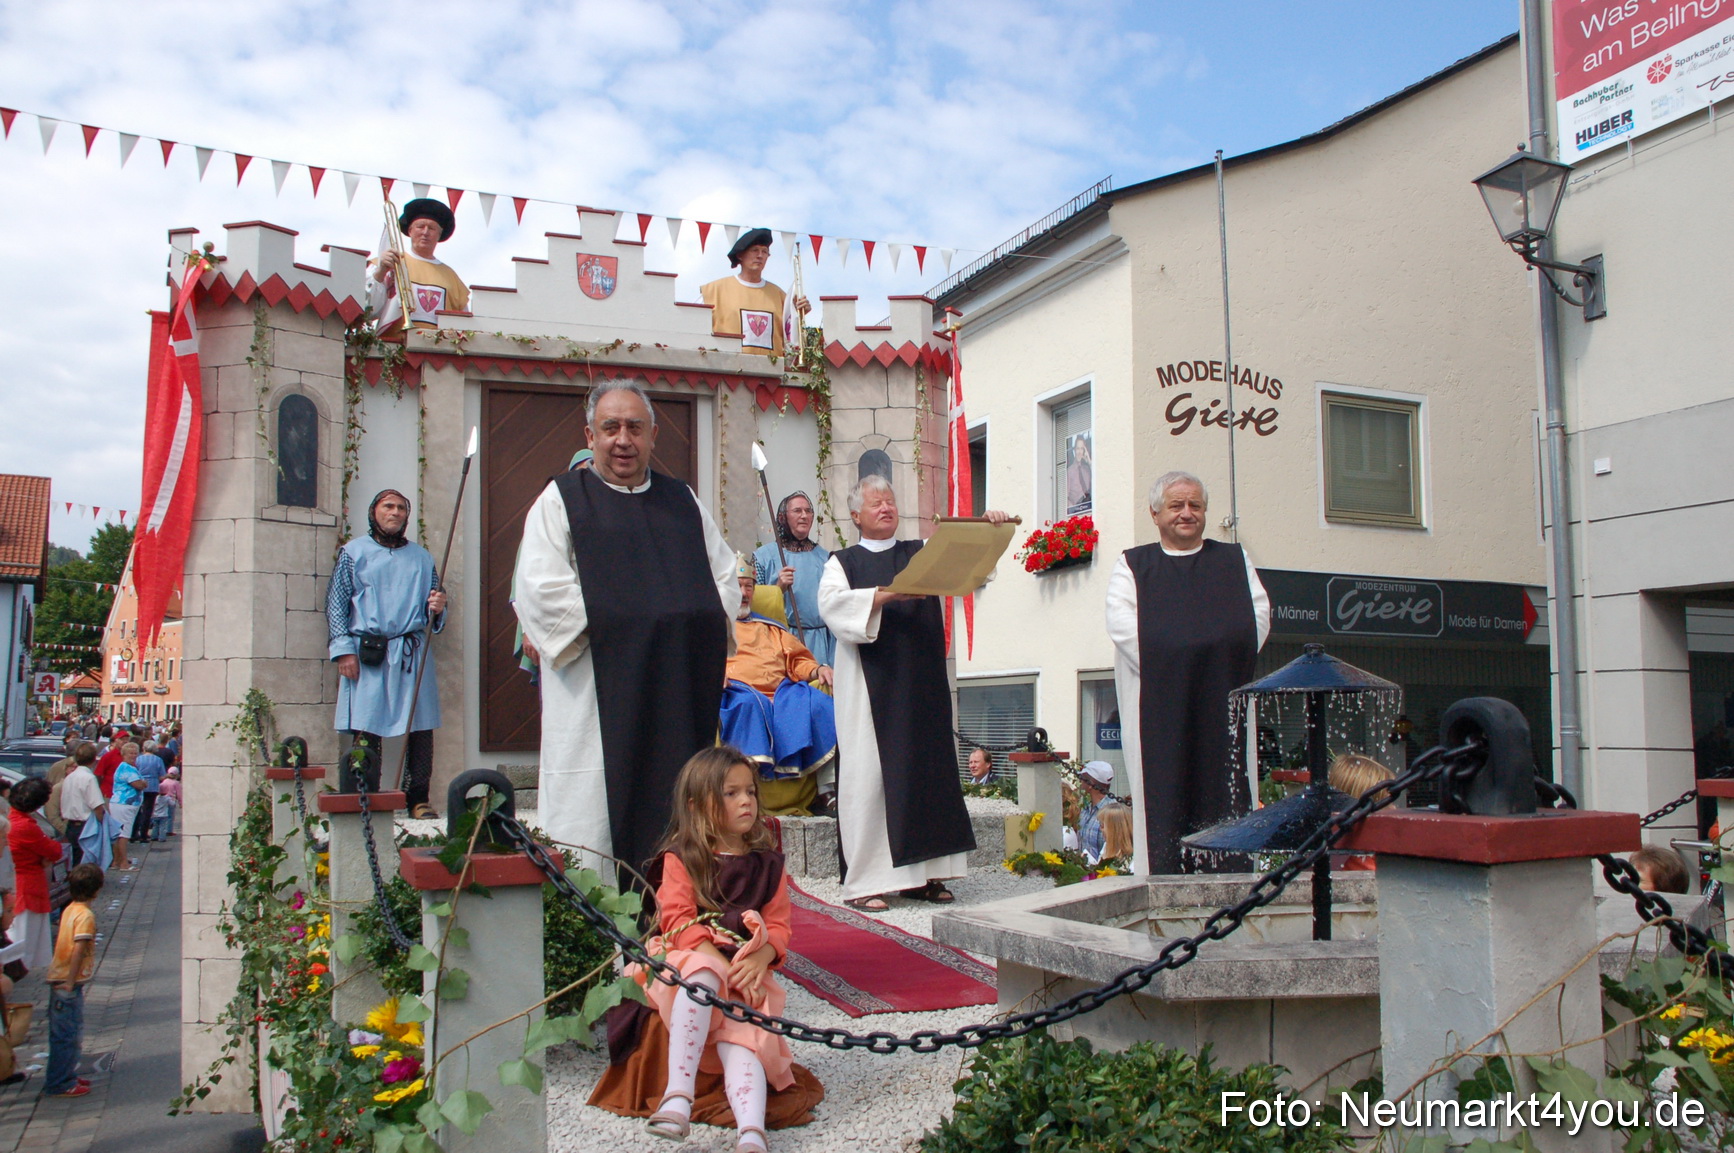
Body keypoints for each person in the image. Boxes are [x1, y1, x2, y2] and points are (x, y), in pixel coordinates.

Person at [514, 381, 737, 878]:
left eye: (635, 427)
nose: (623, 439)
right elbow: (540, 587)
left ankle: (677, 919)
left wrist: (684, 614)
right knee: (593, 811)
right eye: (611, 427)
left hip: (675, 684)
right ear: (589, 434)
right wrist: (631, 615)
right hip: (596, 685)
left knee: (676, 802)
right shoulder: (561, 500)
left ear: (653, 434)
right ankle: (594, 927)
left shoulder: (681, 501)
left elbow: (722, 576)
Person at [589, 746, 823, 1148]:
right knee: (702, 974)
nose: (746, 800)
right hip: (687, 958)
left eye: (749, 791)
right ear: (698, 806)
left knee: (744, 1036)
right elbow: (677, 920)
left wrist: (764, 956)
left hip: (742, 967)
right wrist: (719, 964)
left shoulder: (767, 864)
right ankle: (677, 1097)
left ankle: (751, 1130)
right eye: (730, 793)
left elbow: (780, 926)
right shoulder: (683, 857)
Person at [817, 475, 1012, 911]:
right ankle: (866, 881)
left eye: (890, 499)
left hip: (922, 680)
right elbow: (830, 606)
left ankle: (925, 877)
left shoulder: (920, 551)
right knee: (869, 776)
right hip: (871, 686)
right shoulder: (841, 562)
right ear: (855, 516)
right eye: (875, 502)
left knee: (927, 772)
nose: (886, 506)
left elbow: (967, 563)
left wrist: (988, 527)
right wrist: (887, 595)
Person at [1107, 470, 1270, 874]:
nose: (1187, 513)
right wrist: (1193, 652)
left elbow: (1258, 615)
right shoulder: (1133, 565)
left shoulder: (1234, 560)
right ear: (1155, 513)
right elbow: (1122, 624)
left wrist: (1209, 655)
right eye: (1176, 505)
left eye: (1195, 505)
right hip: (1159, 700)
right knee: (1162, 792)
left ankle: (1231, 876)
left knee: (1228, 786)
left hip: (1223, 692)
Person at [327, 489, 447, 819]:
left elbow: (434, 605)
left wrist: (438, 606)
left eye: (400, 508)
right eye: (387, 506)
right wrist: (343, 651)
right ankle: (367, 793)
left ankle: (417, 797)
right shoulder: (354, 553)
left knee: (420, 726)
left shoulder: (422, 558)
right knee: (366, 724)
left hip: (410, 651)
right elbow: (337, 604)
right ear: (374, 512)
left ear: (407, 516)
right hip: (369, 650)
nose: (394, 512)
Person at [719, 557, 837, 812]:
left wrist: (819, 669)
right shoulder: (714, 627)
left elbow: (796, 660)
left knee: (819, 704)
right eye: (737, 585)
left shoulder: (770, 627)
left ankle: (828, 790)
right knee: (748, 705)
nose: (744, 593)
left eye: (749, 586)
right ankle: (746, 794)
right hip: (738, 693)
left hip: (783, 693)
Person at [513, 448, 593, 683]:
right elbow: (530, 583)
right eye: (580, 472)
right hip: (561, 630)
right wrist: (529, 630)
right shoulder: (551, 515)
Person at [367, 198, 469, 340]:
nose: (425, 232)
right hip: (394, 349)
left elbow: (465, 325)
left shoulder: (451, 276)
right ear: (410, 231)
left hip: (438, 354)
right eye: (420, 226)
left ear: (439, 235)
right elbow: (367, 310)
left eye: (432, 228)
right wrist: (380, 272)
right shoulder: (390, 261)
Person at [752, 492, 834, 668]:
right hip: (782, 641)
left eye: (808, 511)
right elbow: (752, 605)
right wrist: (777, 589)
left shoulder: (826, 558)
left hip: (823, 643)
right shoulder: (764, 558)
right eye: (797, 510)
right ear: (783, 518)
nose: (804, 515)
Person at [44, 862, 104, 1098]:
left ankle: (65, 1073)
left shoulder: (70, 909)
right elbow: (78, 948)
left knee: (66, 1033)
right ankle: (60, 1082)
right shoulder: (85, 916)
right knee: (67, 1036)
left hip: (60, 978)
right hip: (67, 982)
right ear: (97, 890)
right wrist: (70, 980)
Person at [699, 229, 808, 357]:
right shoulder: (713, 291)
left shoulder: (781, 297)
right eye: (755, 250)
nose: (760, 256)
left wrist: (799, 314)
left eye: (764, 252)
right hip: (725, 370)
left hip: (770, 372)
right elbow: (693, 328)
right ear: (740, 255)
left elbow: (792, 338)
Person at [7, 778, 63, 976]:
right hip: (26, 887)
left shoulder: (13, 820)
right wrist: (44, 857)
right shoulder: (25, 826)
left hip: (22, 883)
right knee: (23, 943)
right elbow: (54, 850)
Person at [58, 743, 105, 866]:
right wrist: (101, 823)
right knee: (86, 862)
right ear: (94, 759)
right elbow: (97, 806)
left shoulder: (70, 777)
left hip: (70, 825)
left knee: (74, 860)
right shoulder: (89, 778)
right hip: (85, 826)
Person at [106, 744, 144, 871]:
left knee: (119, 834)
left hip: (122, 804)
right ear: (124, 755)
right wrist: (144, 783)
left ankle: (116, 861)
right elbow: (138, 784)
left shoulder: (127, 767)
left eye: (135, 753)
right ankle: (123, 864)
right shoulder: (127, 768)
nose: (133, 756)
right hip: (124, 805)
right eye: (130, 753)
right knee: (124, 834)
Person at [1075, 761, 1114, 864]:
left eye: (1082, 779)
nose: (1080, 782)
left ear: (1090, 784)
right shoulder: (1085, 808)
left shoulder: (1112, 812)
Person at [131, 740, 166, 843]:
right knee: (148, 810)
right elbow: (162, 775)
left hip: (139, 784)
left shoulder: (138, 759)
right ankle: (143, 834)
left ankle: (134, 833)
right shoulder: (158, 760)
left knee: (137, 809)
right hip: (153, 785)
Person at [1095, 803, 1134, 868]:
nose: (1100, 829)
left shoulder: (1133, 861)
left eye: (1102, 826)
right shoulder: (1106, 846)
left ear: (1114, 829)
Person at [152, 767, 180, 842]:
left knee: (155, 825)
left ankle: (154, 836)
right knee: (170, 818)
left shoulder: (163, 782)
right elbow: (179, 794)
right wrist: (180, 803)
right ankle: (168, 832)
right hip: (170, 800)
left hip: (156, 813)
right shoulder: (176, 783)